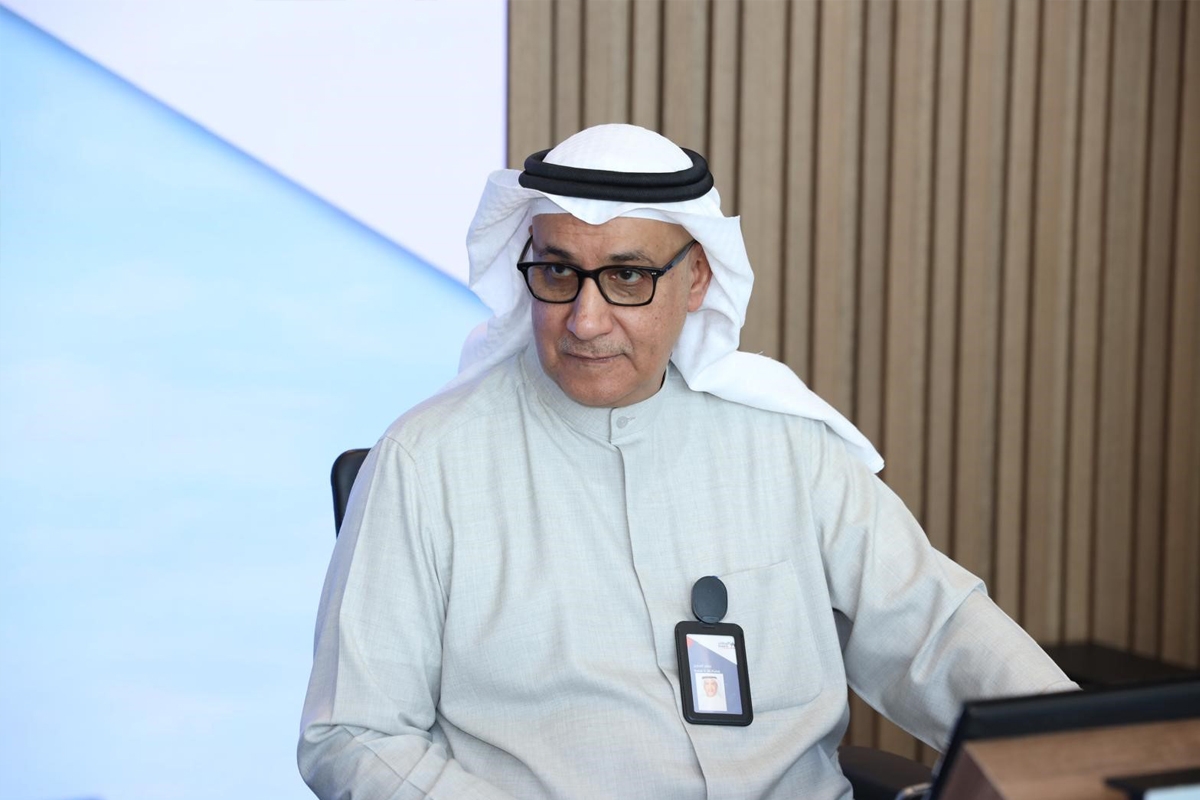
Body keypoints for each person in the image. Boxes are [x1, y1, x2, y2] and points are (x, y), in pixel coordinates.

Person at [298, 124, 1075, 800]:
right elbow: (353, 734)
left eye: (627, 277)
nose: (585, 320)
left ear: (696, 277)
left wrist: (1081, 751)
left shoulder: (786, 442)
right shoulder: (427, 464)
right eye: (559, 272)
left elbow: (932, 629)